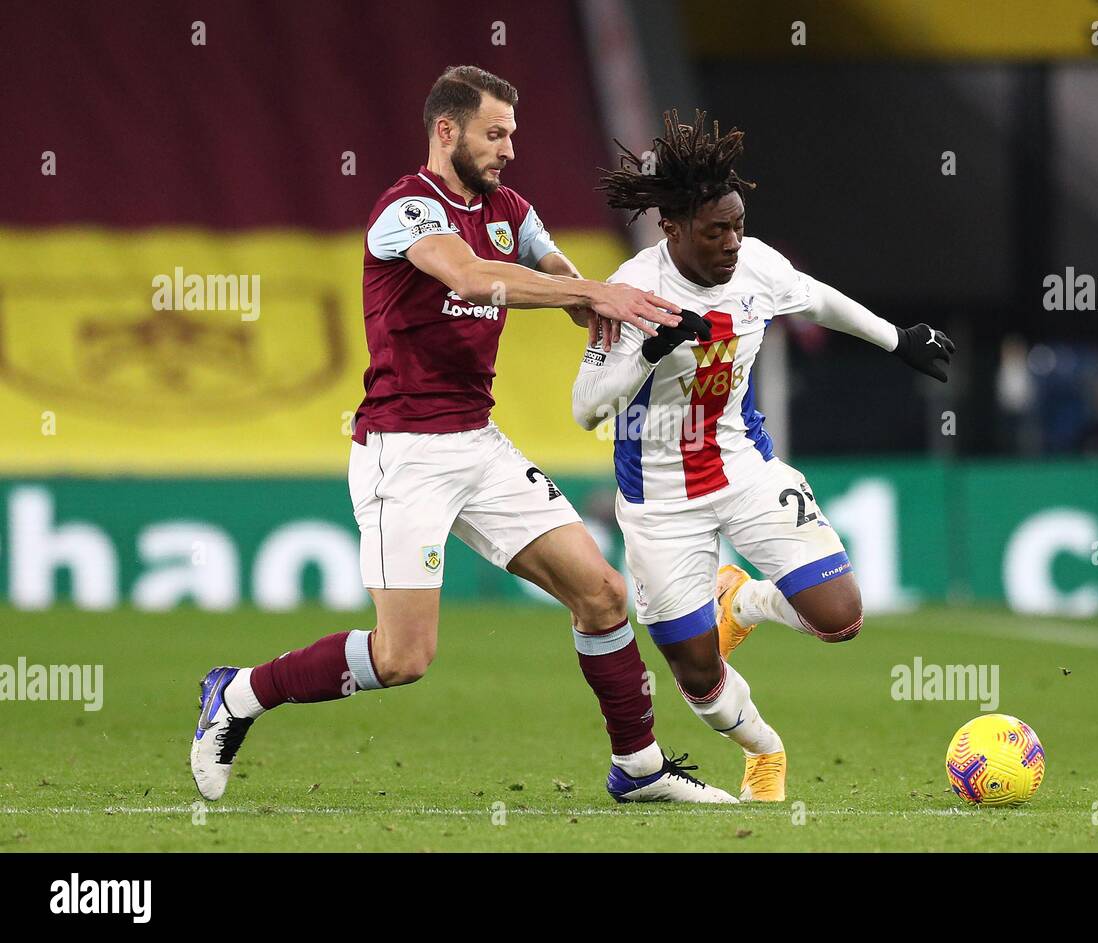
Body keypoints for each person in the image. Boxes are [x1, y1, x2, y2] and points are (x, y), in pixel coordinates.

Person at [191, 70, 736, 806]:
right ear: (446, 131)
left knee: (603, 594)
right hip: (403, 453)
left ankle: (638, 768)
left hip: (479, 444)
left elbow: (559, 275)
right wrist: (591, 294)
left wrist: (630, 314)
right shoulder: (405, 210)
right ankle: (239, 694)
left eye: (512, 133)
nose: (509, 148)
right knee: (402, 657)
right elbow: (474, 278)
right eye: (495, 133)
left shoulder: (511, 208)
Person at [572, 110, 954, 800]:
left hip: (746, 468)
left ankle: (741, 601)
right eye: (715, 231)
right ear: (672, 227)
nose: (731, 242)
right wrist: (650, 353)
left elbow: (815, 300)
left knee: (841, 617)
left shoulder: (756, 264)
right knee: (696, 673)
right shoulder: (630, 293)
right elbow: (587, 407)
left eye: (738, 226)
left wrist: (898, 339)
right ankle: (765, 748)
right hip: (660, 500)